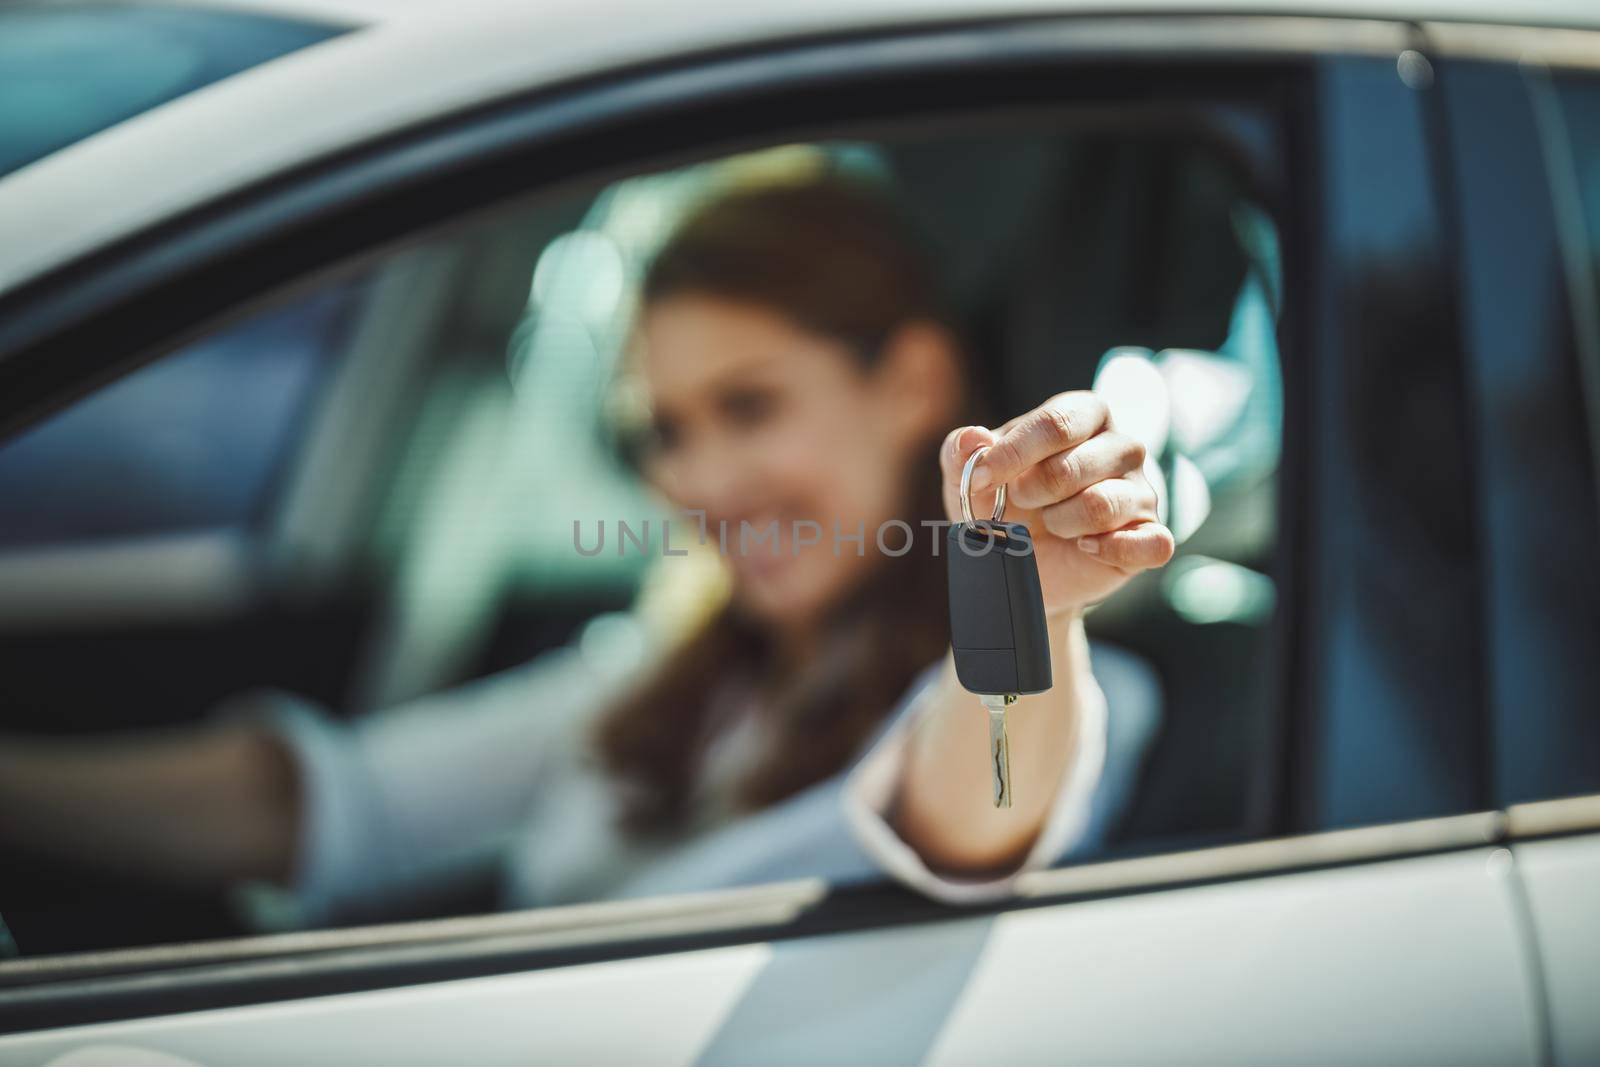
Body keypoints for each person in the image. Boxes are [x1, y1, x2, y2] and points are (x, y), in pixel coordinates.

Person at [0, 175, 1173, 929]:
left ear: (911, 380)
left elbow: (975, 819)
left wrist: (1026, 610)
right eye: (664, 429)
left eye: (750, 406)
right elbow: (334, 802)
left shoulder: (1066, 682)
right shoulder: (666, 678)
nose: (694, 480)